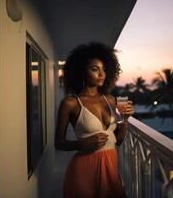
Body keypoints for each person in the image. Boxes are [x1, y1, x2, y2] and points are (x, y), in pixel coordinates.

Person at [55, 42, 134, 198]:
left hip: (110, 168)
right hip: (84, 170)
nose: (101, 75)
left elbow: (117, 141)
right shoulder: (70, 103)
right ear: (81, 72)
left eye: (104, 70)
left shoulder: (110, 100)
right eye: (94, 69)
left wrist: (125, 120)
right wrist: (83, 144)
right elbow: (59, 143)